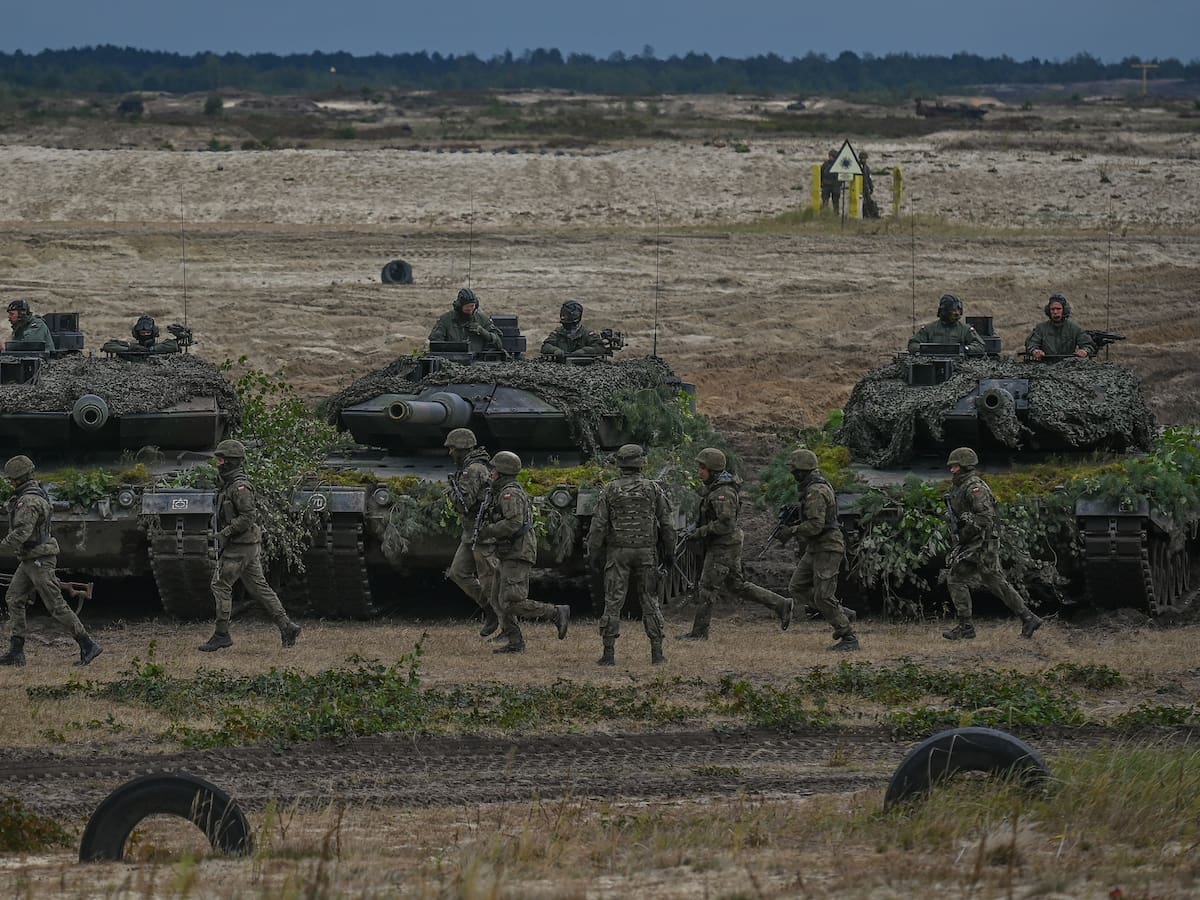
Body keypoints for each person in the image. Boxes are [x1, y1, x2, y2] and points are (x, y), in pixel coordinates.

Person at [199, 439, 302, 652]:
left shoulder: (240, 487)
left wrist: (225, 532)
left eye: (221, 460)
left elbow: (248, 516)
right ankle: (287, 626)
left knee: (220, 584)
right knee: (259, 587)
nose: (218, 464)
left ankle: (221, 634)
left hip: (240, 544)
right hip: (245, 544)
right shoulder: (229, 485)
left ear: (231, 462)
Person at [680, 448, 793, 640]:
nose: (700, 472)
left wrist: (699, 532)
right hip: (725, 544)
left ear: (713, 470)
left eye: (703, 468)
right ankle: (781, 604)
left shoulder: (722, 493)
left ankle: (699, 633)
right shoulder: (717, 489)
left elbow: (726, 524)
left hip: (723, 545)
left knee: (707, 587)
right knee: (737, 585)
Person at [0, 455, 101, 667]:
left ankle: (87, 644)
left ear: (18, 479)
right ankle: (16, 651)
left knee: (55, 605)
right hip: (30, 559)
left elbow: (22, 533)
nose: (10, 482)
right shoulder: (34, 493)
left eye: (11, 479)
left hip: (39, 559)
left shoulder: (28, 501)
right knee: (14, 597)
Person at [941, 446, 1043, 641]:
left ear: (965, 466)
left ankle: (966, 627)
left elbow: (985, 518)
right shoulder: (960, 487)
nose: (951, 470)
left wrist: (964, 533)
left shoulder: (974, 488)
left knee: (956, 577)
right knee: (994, 581)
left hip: (981, 541)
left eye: (955, 466)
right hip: (978, 541)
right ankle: (1028, 618)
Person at [587, 443, 674, 666]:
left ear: (620, 464)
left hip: (618, 552)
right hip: (646, 552)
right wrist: (670, 551)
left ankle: (608, 654)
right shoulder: (653, 488)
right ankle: (657, 652)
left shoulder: (610, 489)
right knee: (649, 600)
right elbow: (666, 523)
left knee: (613, 601)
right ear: (640, 464)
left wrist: (594, 553)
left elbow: (598, 526)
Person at [475, 450, 570, 653]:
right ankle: (515, 640)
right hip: (508, 550)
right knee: (498, 599)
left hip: (518, 551)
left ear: (501, 472)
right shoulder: (500, 492)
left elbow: (514, 523)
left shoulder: (510, 494)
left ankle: (555, 612)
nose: (491, 473)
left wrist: (488, 531)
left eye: (494, 470)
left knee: (511, 601)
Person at [785, 449, 859, 652]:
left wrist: (791, 530)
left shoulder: (816, 491)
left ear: (802, 470)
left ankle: (848, 637)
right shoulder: (811, 488)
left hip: (828, 546)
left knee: (823, 596)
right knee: (797, 587)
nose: (792, 473)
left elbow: (816, 525)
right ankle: (841, 612)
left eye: (794, 469)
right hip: (816, 546)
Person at [444, 427, 500, 637]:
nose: (450, 453)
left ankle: (509, 627)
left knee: (489, 579)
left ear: (461, 448)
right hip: (471, 533)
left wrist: (451, 492)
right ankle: (490, 610)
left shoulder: (473, 470)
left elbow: (463, 503)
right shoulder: (470, 467)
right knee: (458, 572)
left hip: (482, 533)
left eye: (452, 448)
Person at [428, 288, 504, 353]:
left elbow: (499, 342)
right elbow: (435, 343)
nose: (470, 310)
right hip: (451, 359)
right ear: (459, 306)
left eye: (472, 306)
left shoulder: (482, 319)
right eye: (467, 307)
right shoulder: (446, 319)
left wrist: (482, 331)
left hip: (477, 361)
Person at [907, 294, 986, 355]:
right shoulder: (929, 329)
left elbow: (980, 346)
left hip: (959, 366)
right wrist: (926, 349)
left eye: (959, 310)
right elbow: (913, 344)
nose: (957, 313)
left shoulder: (965, 329)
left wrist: (964, 349)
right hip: (931, 365)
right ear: (944, 311)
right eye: (953, 310)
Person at [1025, 294, 1095, 360]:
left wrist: (1084, 351)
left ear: (1064, 310)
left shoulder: (1074, 328)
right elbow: (1031, 344)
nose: (1055, 312)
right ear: (1049, 311)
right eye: (1052, 309)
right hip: (1045, 364)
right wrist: (1035, 351)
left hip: (1068, 365)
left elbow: (1088, 345)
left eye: (1058, 309)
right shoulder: (1040, 328)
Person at [541, 300, 606, 360]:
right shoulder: (558, 332)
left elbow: (600, 348)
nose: (563, 318)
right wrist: (555, 350)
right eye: (563, 315)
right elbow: (546, 346)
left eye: (567, 316)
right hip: (560, 366)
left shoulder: (587, 333)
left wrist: (584, 351)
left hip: (584, 366)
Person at [860, 151, 880, 219]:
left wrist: (871, 187)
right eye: (863, 159)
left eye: (865, 159)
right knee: (863, 203)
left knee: (869, 202)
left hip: (866, 188)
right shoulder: (858, 167)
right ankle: (864, 215)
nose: (864, 160)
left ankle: (870, 215)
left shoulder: (867, 168)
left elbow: (869, 178)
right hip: (859, 188)